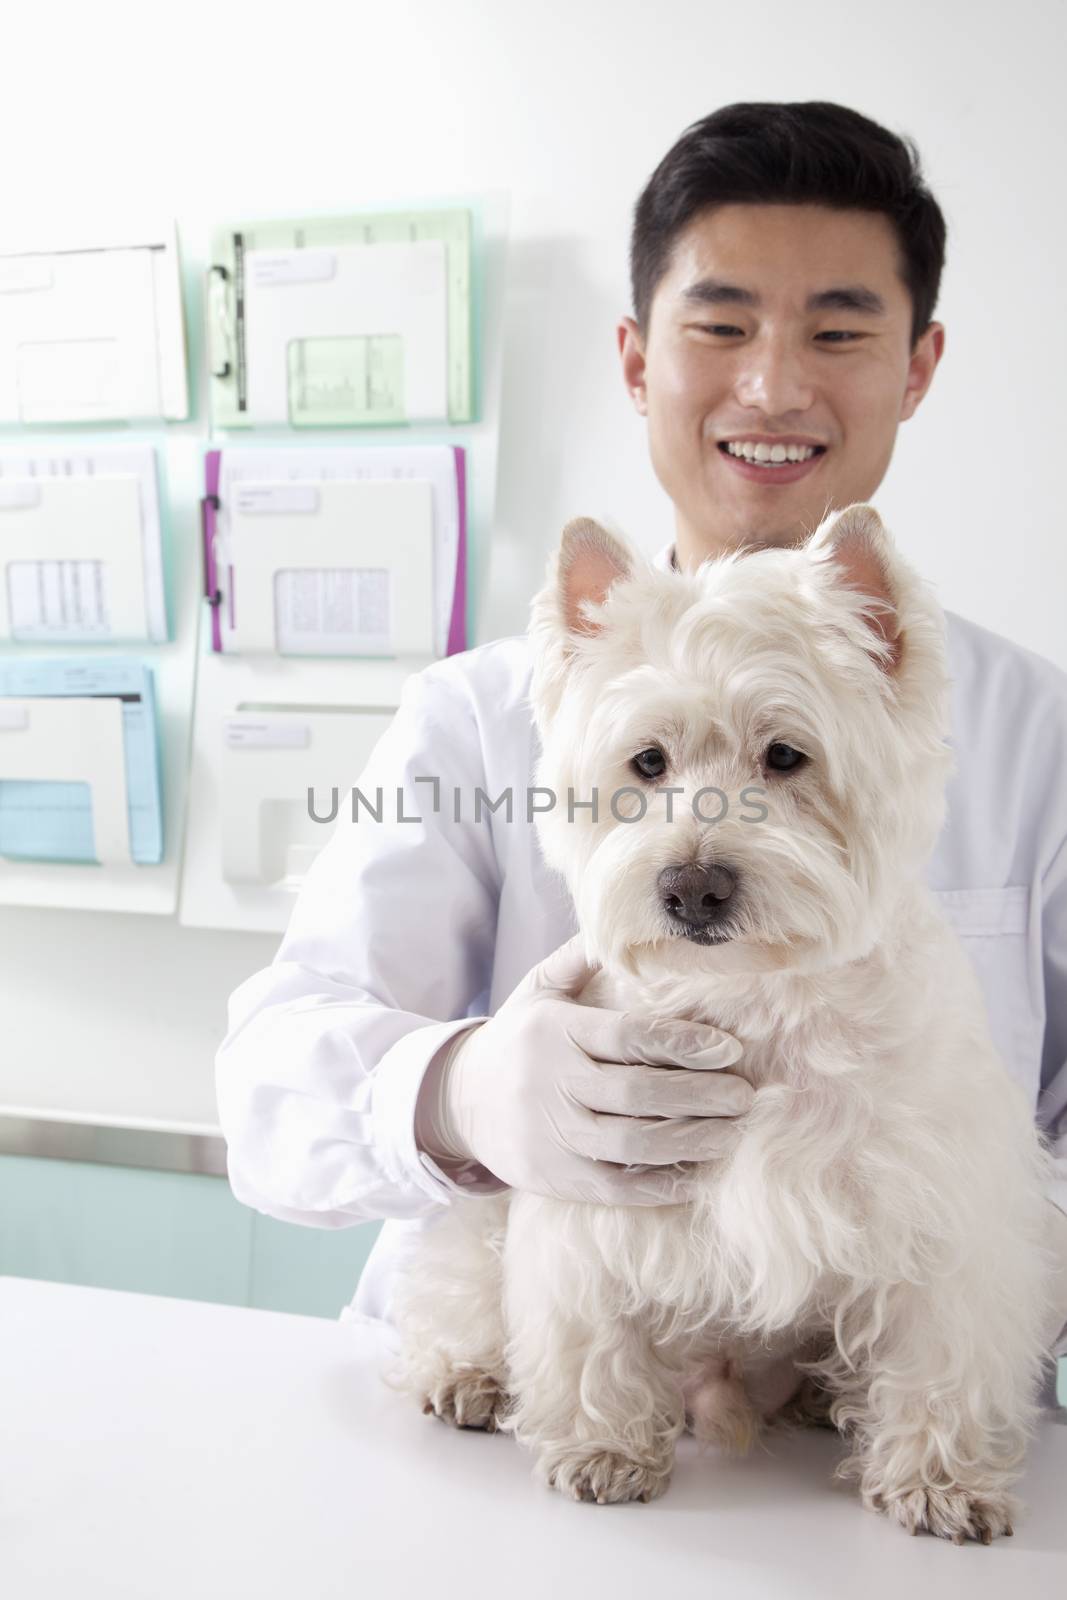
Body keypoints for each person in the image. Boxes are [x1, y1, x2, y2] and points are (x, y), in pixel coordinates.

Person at [214, 101, 1067, 1396]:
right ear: (634, 357)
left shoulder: (1037, 736)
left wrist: (972, 1264)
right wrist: (462, 1092)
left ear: (920, 363)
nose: (773, 385)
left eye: (837, 331)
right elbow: (267, 1093)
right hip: (508, 1440)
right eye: (720, 325)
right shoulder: (479, 714)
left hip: (858, 1475)